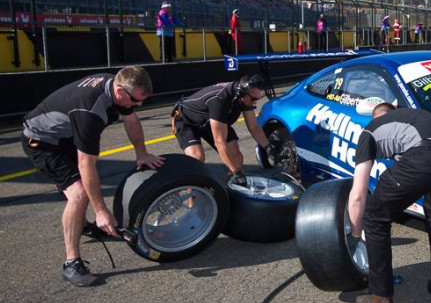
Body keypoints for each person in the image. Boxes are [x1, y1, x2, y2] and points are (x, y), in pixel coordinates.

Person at [21, 66, 164, 286]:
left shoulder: (118, 87)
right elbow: (86, 165)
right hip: (42, 142)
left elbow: (131, 120)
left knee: (82, 189)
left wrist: (141, 153)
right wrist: (101, 211)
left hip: (64, 134)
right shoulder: (90, 112)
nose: (138, 105)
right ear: (120, 92)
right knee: (79, 194)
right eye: (135, 101)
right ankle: (71, 263)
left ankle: (84, 225)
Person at [347, 104, 431, 303]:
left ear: (374, 119)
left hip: (426, 154)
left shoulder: (368, 132)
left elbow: (357, 196)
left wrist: (355, 235)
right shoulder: (414, 117)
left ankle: (380, 297)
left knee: (375, 218)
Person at [171, 74, 272, 183]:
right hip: (187, 121)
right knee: (197, 159)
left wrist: (268, 147)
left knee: (236, 158)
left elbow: (254, 127)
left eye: (258, 98)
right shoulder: (220, 99)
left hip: (210, 121)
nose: (254, 102)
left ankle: (230, 188)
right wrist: (236, 172)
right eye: (253, 99)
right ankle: (192, 197)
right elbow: (220, 142)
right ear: (241, 92)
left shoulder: (244, 98)